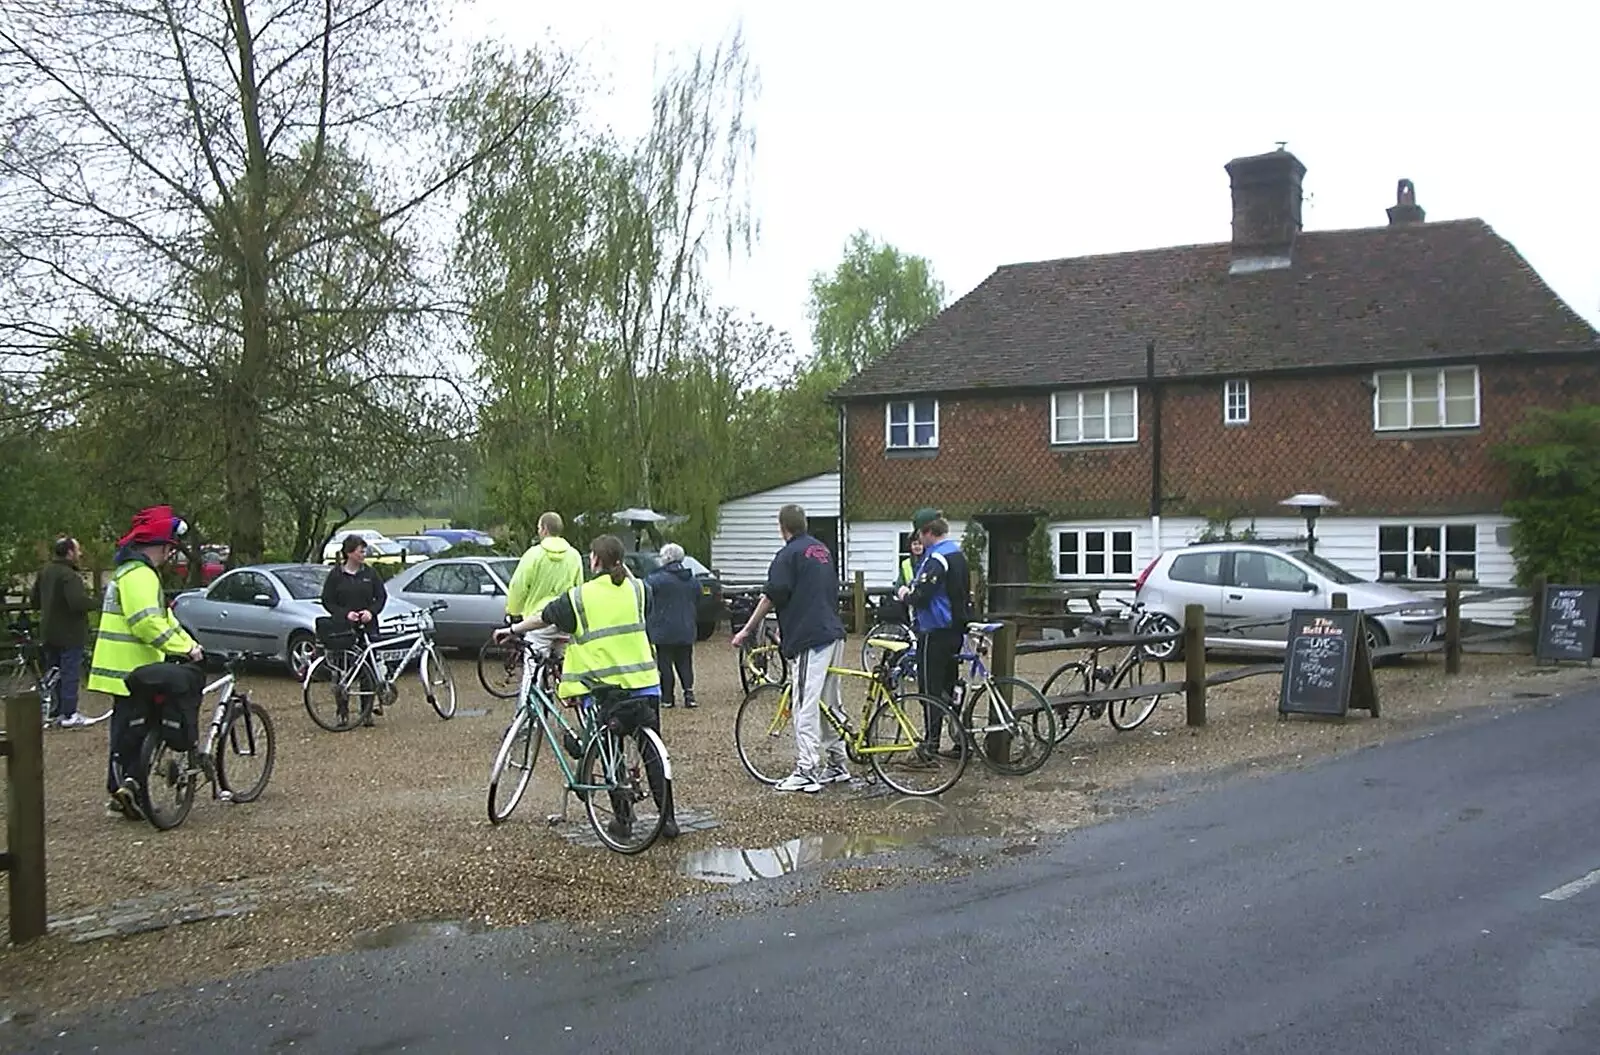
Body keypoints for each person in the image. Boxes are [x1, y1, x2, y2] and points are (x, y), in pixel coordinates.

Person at [496, 534, 677, 840]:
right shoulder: (640, 589)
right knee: (652, 754)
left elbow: (544, 618)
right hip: (644, 684)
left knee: (611, 754)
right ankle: (668, 820)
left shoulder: (580, 597)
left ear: (594, 561)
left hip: (606, 688)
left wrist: (511, 629)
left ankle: (623, 820)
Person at [87, 506, 203, 818]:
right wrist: (188, 650)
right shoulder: (140, 575)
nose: (169, 554)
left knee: (128, 731)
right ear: (161, 546)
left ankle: (124, 789)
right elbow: (147, 623)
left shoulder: (130, 572)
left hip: (127, 669)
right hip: (135, 670)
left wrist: (187, 641)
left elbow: (165, 617)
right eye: (169, 548)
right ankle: (129, 789)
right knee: (137, 731)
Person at [730, 504, 850, 793]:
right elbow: (813, 592)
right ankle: (836, 762)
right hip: (833, 631)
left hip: (811, 638)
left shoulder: (787, 555)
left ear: (782, 527)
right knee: (829, 703)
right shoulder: (821, 551)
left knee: (804, 704)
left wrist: (747, 629)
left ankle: (807, 769)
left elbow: (772, 595)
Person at [896, 508, 971, 761]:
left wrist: (905, 594)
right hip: (955, 630)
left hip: (935, 630)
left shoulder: (937, 558)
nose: (918, 539)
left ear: (927, 531)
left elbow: (921, 596)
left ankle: (930, 745)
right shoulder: (958, 554)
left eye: (919, 533)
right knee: (951, 687)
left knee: (929, 688)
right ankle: (961, 740)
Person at [320, 534, 388, 725]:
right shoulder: (336, 575)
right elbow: (328, 601)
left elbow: (381, 597)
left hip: (367, 627)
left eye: (364, 551)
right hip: (344, 629)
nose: (363, 554)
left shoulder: (370, 574)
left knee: (369, 671)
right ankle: (342, 712)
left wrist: (371, 612)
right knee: (343, 671)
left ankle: (367, 711)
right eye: (360, 551)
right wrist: (344, 614)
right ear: (350, 553)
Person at [30, 536, 96, 727]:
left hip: (48, 632)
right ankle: (70, 714)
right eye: (77, 550)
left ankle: (54, 711)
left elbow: (34, 600)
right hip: (70, 633)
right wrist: (98, 603)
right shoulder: (69, 575)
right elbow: (76, 602)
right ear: (69, 553)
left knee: (53, 673)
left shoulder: (45, 572)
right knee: (69, 673)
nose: (80, 553)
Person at [504, 511, 585, 661]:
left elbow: (518, 586)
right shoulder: (574, 556)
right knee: (565, 664)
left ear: (545, 529)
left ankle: (532, 684)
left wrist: (513, 611)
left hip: (539, 619)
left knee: (533, 666)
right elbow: (579, 587)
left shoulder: (533, 555)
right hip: (565, 619)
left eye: (539, 528)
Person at [645, 542, 698, 709]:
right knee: (685, 662)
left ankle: (668, 697)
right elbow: (698, 595)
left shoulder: (656, 579)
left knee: (665, 663)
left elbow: (645, 594)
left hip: (663, 629)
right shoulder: (691, 579)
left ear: (666, 559)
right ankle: (689, 694)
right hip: (686, 627)